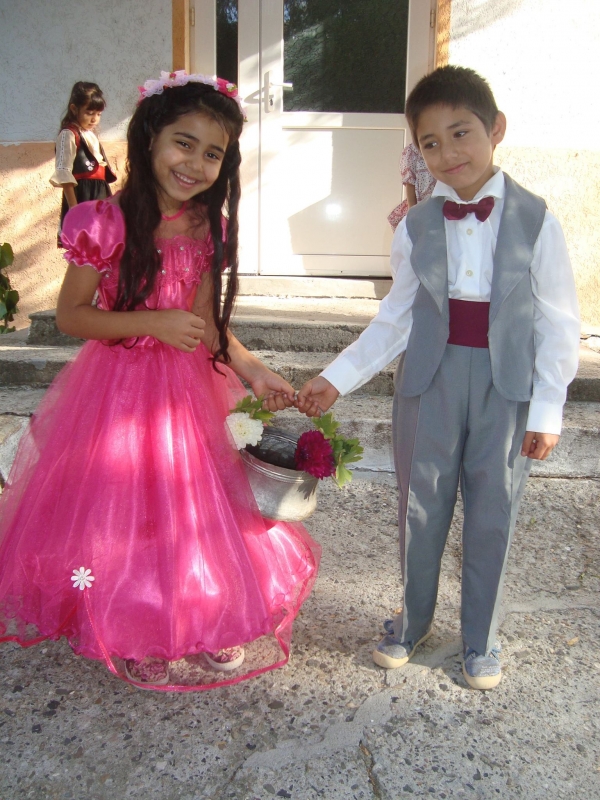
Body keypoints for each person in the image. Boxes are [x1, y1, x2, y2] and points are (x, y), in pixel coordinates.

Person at [0, 72, 320, 690]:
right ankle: (135, 622)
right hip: (116, 391)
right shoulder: (102, 222)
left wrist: (253, 370)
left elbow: (205, 326)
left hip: (187, 390)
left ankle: (205, 609)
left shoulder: (206, 227)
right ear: (150, 138)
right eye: (184, 143)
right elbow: (72, 317)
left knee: (194, 504)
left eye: (212, 153)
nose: (195, 164)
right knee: (127, 509)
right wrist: (151, 321)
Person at [297, 65, 580, 690]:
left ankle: (481, 638)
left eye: (461, 133)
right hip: (429, 382)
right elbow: (396, 317)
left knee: (494, 509)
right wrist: (337, 377)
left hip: (507, 388)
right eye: (430, 142)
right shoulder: (416, 224)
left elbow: (558, 322)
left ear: (496, 128)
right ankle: (412, 621)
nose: (448, 153)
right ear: (416, 152)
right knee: (419, 505)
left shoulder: (538, 219)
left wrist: (547, 410)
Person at [50, 82, 117, 247]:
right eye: (89, 113)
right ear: (74, 109)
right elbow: (64, 173)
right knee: (84, 247)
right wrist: (74, 210)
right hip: (83, 198)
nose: (94, 119)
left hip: (99, 196)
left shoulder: (90, 135)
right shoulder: (68, 135)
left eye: (98, 114)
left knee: (102, 246)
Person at [387, 141, 436, 232]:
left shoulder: (445, 147)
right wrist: (413, 215)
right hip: (422, 207)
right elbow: (410, 183)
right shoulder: (412, 151)